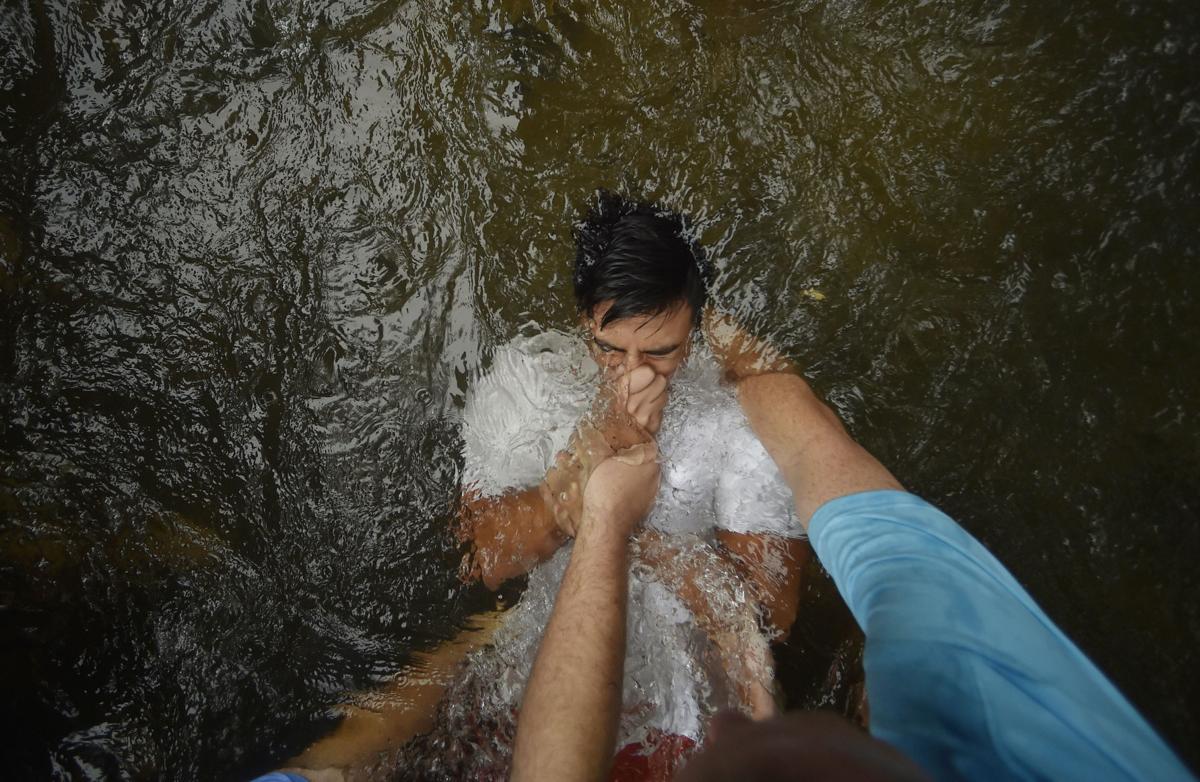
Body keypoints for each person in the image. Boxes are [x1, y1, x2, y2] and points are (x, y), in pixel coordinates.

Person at [512, 317, 1196, 781]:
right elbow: (813, 442)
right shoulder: (960, 664)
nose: (726, 731)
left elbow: (547, 767)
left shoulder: (941, 652)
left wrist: (606, 519)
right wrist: (718, 332)